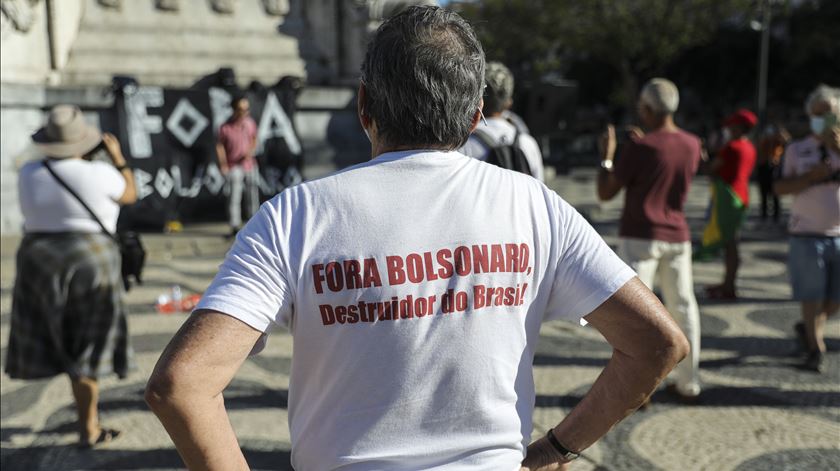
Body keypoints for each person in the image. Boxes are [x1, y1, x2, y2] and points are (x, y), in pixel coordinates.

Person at [146, 7, 688, 470]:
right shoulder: (533, 205)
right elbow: (658, 344)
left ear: (364, 107)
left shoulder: (294, 216)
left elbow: (181, 385)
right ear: (475, 116)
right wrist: (557, 447)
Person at [4, 105, 137, 447]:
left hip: (39, 260)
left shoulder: (28, 172)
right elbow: (130, 194)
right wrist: (118, 158)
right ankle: (88, 426)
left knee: (53, 332)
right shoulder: (103, 174)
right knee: (88, 343)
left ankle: (78, 399)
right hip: (91, 260)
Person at [596, 78, 703, 403]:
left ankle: (638, 390)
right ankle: (690, 383)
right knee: (683, 306)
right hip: (677, 236)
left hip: (641, 235)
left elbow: (605, 193)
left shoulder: (640, 148)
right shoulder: (692, 143)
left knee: (636, 317)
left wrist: (608, 156)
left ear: (647, 108)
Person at [774, 84, 840, 373]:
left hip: (838, 234)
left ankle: (809, 328)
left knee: (834, 299)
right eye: (818, 114)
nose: (823, 120)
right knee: (811, 296)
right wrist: (810, 177)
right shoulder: (796, 149)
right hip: (806, 234)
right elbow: (779, 187)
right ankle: (816, 348)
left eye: (828, 114)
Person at [698, 109, 758, 300]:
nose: (729, 129)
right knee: (732, 242)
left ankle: (729, 285)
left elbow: (710, 169)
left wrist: (702, 157)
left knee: (730, 243)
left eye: (732, 125)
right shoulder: (750, 147)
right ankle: (728, 283)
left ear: (740, 128)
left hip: (728, 197)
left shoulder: (731, 147)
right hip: (742, 196)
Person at [460, 61, 545, 181]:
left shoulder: (464, 143)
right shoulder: (527, 143)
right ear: (508, 102)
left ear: (477, 99)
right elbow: (538, 189)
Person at [216, 94, 259, 236]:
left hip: (249, 164)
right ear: (234, 110)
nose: (245, 113)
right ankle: (235, 225)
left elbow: (254, 138)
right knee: (234, 196)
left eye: (247, 110)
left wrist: (250, 152)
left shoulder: (249, 123)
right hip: (234, 165)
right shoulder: (225, 127)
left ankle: (254, 223)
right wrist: (223, 164)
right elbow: (220, 145)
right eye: (241, 110)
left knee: (252, 195)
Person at [756, 122, 790, 224]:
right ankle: (764, 215)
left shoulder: (778, 140)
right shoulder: (764, 140)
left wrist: (780, 133)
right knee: (763, 193)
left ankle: (776, 216)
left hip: (774, 166)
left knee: (775, 192)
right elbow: (758, 146)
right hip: (763, 166)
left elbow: (787, 141)